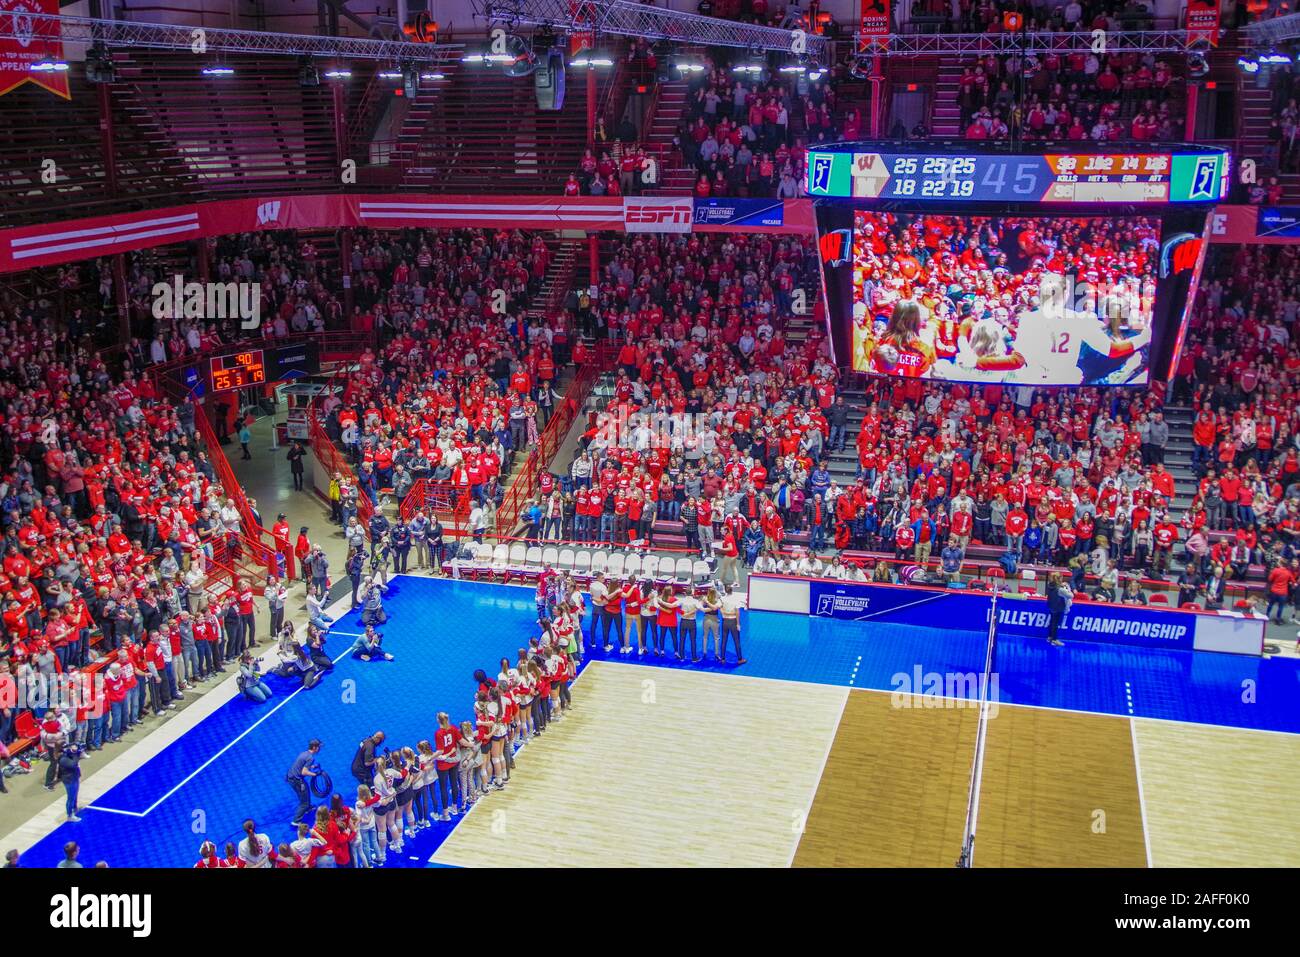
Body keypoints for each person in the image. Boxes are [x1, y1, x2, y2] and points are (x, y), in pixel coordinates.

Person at [287, 739, 322, 827]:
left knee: (306, 791)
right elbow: (304, 772)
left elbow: (303, 765)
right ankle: (296, 820)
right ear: (314, 747)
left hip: (291, 776)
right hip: (296, 780)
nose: (320, 748)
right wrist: (315, 774)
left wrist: (312, 766)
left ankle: (308, 807)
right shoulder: (310, 758)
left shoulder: (304, 753)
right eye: (318, 747)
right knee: (304, 802)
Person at [719, 583, 746, 664]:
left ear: (725, 591)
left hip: (725, 621)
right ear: (732, 590)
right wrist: (738, 624)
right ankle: (740, 659)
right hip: (733, 621)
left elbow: (720, 608)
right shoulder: (735, 599)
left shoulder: (722, 599)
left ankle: (722, 658)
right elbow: (737, 612)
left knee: (724, 640)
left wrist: (724, 613)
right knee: (736, 641)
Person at [58, 744, 83, 823]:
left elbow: (76, 765)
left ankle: (75, 808)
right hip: (69, 780)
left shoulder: (69, 756)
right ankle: (69, 815)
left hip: (74, 777)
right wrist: (76, 754)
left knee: (75, 795)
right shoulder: (63, 759)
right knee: (71, 797)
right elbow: (73, 764)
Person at [1045, 571, 1070, 647]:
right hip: (1058, 607)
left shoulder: (1050, 585)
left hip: (1051, 605)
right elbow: (1070, 596)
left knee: (1052, 622)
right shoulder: (1059, 589)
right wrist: (1068, 588)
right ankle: (1054, 640)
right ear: (1059, 579)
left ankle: (1050, 637)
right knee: (1055, 624)